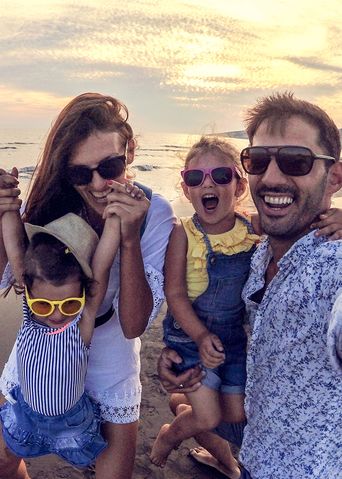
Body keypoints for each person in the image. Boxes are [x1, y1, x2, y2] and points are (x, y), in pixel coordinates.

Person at [158, 92, 342, 479]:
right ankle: (220, 453)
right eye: (259, 160)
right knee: (200, 405)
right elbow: (178, 294)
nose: (273, 177)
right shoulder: (260, 250)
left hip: (301, 466)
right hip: (253, 437)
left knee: (207, 409)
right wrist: (185, 346)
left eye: (296, 161)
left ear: (335, 177)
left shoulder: (332, 269)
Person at [0, 92, 175, 479]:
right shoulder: (52, 203)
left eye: (109, 165)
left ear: (128, 150)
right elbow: (11, 278)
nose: (97, 184)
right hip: (39, 350)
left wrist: (129, 238)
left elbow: (133, 326)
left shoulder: (155, 212)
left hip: (109, 355)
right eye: (81, 173)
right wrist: (4, 211)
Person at [150, 136, 259, 475]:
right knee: (209, 417)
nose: (207, 184)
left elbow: (302, 223)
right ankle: (171, 435)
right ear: (186, 189)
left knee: (236, 413)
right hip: (190, 336)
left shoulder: (252, 226)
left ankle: (186, 409)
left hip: (232, 338)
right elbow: (176, 294)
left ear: (239, 186)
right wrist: (198, 336)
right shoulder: (183, 233)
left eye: (221, 176)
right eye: (196, 178)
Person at [0, 208, 122, 466]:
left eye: (68, 305)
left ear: (82, 296)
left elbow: (102, 267)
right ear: (30, 295)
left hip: (70, 421)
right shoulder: (30, 316)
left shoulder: (81, 323)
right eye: (44, 305)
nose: (56, 315)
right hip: (27, 415)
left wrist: (113, 220)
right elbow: (15, 247)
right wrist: (10, 206)